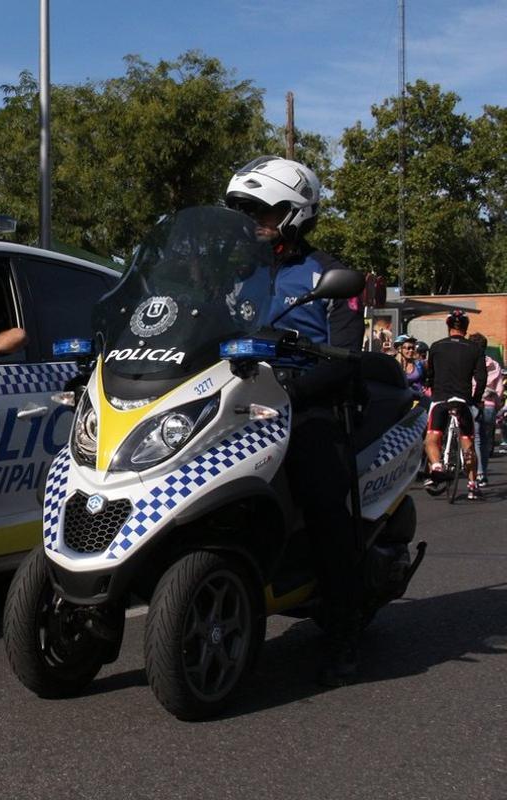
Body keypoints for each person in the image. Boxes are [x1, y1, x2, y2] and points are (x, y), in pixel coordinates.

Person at [224, 156, 365, 687]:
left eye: (260, 210)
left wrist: (292, 389)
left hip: (305, 407)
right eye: (243, 210)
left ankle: (344, 625)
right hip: (235, 402)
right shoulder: (234, 276)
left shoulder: (330, 275)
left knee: (324, 500)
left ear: (294, 213)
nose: (251, 221)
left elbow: (345, 357)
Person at [422, 311, 487, 500]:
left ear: (449, 327)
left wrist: (431, 386)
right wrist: (475, 398)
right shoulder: (475, 349)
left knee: (432, 438)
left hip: (441, 399)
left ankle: (436, 466)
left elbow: (430, 374)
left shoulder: (436, 346)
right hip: (463, 401)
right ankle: (473, 485)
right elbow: (481, 378)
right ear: (465, 328)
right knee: (468, 443)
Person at [468, 333, 502, 487]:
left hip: (474, 404)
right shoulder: (494, 365)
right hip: (489, 406)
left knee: (475, 439)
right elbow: (499, 390)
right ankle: (483, 473)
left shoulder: (468, 363)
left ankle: (477, 473)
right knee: (485, 440)